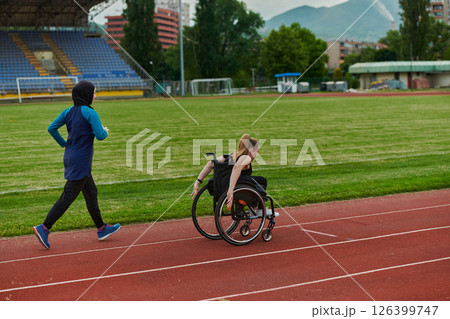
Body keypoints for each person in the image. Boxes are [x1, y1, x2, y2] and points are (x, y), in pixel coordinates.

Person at [33, 80, 120, 249]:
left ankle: (101, 228)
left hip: (71, 156)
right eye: (93, 92)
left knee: (91, 192)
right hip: (81, 160)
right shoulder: (90, 113)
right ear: (87, 95)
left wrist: (64, 143)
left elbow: (51, 128)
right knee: (68, 196)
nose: (95, 96)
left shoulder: (68, 111)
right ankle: (43, 228)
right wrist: (106, 131)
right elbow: (100, 135)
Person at [191, 134, 278, 216]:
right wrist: (230, 190)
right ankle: (257, 208)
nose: (256, 155)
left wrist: (198, 181)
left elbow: (210, 163)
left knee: (253, 180)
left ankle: (245, 206)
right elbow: (236, 167)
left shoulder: (232, 156)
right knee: (262, 181)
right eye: (257, 151)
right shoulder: (246, 157)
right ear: (251, 150)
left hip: (224, 185)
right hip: (236, 186)